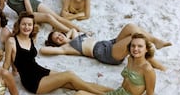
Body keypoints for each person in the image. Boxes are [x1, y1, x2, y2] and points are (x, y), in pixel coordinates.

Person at [20, 33, 174, 95]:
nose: (135, 49)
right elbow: (126, 82)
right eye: (133, 46)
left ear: (146, 49)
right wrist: (115, 91)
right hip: (117, 94)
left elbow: (151, 94)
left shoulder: (148, 69)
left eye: (140, 46)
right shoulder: (130, 59)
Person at [3, 12, 111, 95]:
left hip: (40, 70)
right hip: (33, 82)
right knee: (69, 75)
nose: (27, 27)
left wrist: (15, 69)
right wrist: (2, 84)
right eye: (24, 24)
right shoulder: (11, 41)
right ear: (19, 25)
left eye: (29, 25)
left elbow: (19, 60)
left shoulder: (31, 39)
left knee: (74, 82)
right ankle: (100, 94)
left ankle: (110, 90)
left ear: (32, 26)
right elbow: (6, 65)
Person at [41, 23, 170, 71]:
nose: (59, 37)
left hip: (109, 43)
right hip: (105, 53)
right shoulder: (66, 48)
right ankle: (157, 63)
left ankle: (156, 41)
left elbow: (72, 29)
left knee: (130, 27)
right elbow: (43, 50)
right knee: (134, 40)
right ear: (56, 44)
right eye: (56, 39)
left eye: (58, 34)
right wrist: (60, 43)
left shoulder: (74, 37)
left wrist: (66, 35)